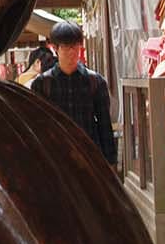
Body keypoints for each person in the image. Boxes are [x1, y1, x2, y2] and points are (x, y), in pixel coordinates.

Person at [30, 22, 117, 165]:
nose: (72, 52)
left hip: (89, 157)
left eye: (75, 46)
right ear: (55, 48)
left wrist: (110, 162)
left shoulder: (95, 82)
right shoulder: (41, 84)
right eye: (65, 47)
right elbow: (38, 127)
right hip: (55, 159)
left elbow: (104, 124)